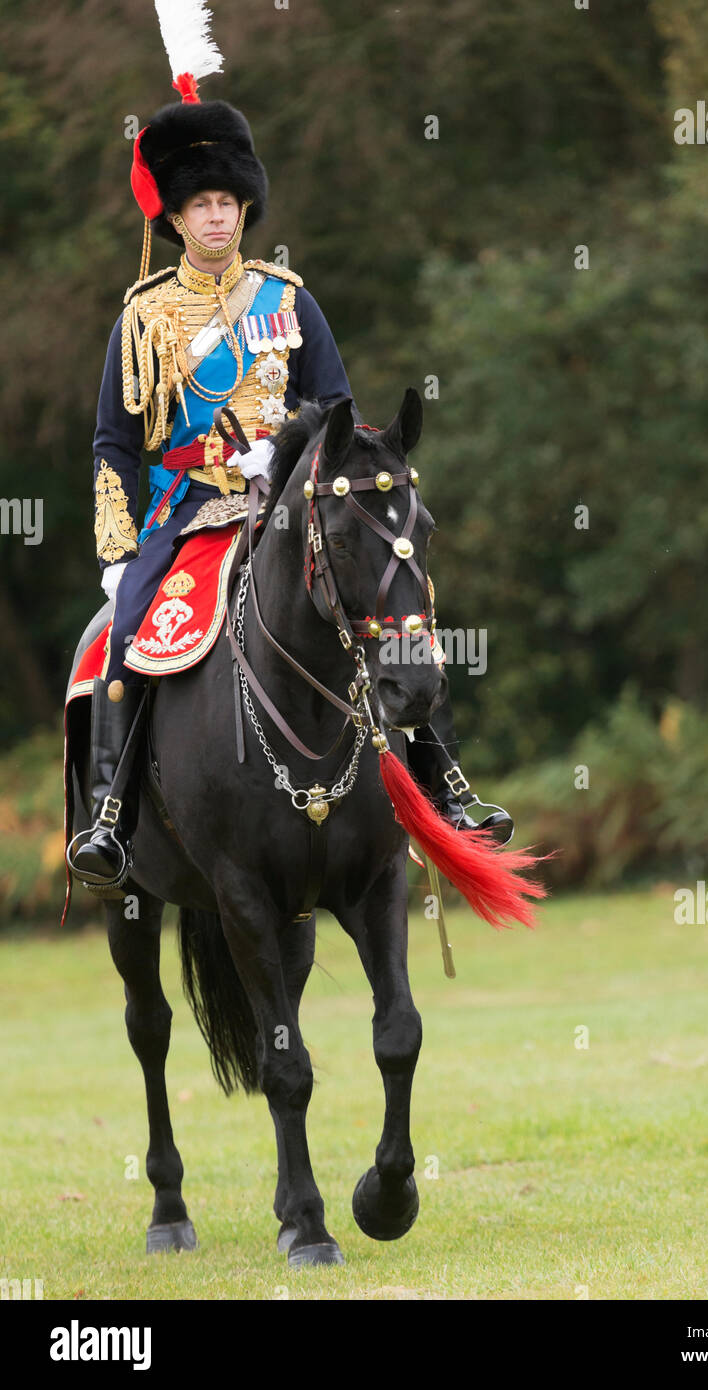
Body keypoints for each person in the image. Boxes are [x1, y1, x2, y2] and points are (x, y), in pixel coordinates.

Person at [69, 67, 511, 894]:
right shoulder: (144, 316)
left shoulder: (290, 301)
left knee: (391, 611)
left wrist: (288, 464)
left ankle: (447, 785)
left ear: (245, 211)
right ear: (174, 213)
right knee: (123, 629)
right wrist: (118, 546)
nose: (215, 216)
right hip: (187, 511)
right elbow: (112, 444)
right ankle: (110, 813)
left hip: (291, 505)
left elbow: (339, 410)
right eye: (199, 203)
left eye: (227, 204)